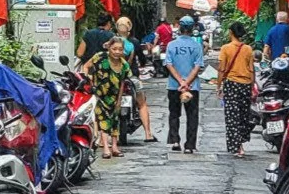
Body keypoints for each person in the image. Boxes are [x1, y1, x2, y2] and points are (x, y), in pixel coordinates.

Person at [162, 14, 206, 153]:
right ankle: (190, 145)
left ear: (179, 28)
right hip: (192, 86)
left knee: (174, 113)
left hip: (174, 85)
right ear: (193, 28)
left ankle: (175, 140)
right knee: (192, 116)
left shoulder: (171, 45)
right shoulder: (196, 46)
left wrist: (180, 81)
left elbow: (169, 64)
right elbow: (197, 66)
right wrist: (187, 82)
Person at [87, 35, 132, 158]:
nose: (117, 52)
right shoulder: (100, 57)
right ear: (109, 48)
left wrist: (119, 100)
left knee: (115, 121)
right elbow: (86, 67)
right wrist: (89, 81)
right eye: (114, 49)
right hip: (99, 95)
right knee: (103, 121)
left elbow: (122, 82)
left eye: (120, 49)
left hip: (114, 96)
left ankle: (115, 146)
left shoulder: (124, 65)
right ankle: (106, 148)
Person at [217, 17, 257, 156]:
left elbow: (222, 69)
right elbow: (251, 69)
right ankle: (240, 143)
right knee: (243, 115)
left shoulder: (225, 48)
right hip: (245, 85)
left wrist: (219, 85)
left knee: (232, 116)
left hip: (232, 84)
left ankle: (237, 146)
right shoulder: (248, 49)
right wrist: (252, 87)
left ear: (231, 32)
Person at [114, 14, 154, 142]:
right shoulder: (134, 43)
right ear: (129, 28)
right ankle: (148, 133)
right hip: (132, 77)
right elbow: (141, 59)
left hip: (114, 78)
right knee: (142, 103)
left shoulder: (112, 42)